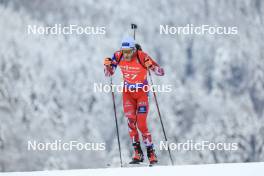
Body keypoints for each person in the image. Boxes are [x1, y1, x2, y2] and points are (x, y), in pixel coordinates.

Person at [104, 36, 164, 164]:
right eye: (124, 52)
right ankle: (138, 153)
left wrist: (151, 66)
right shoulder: (118, 55)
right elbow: (109, 73)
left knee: (141, 123)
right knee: (131, 122)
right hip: (128, 93)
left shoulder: (142, 56)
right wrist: (107, 66)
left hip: (142, 93)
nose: (126, 55)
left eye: (128, 52)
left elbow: (160, 72)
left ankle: (151, 152)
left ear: (134, 50)